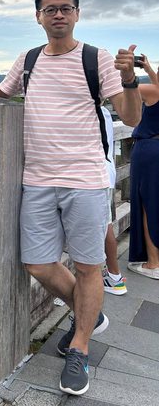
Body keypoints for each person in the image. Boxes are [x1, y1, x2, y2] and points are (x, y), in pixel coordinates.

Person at [0, 0, 142, 396]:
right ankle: (89, 314)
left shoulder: (97, 59)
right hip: (37, 180)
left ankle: (80, 348)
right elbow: (0, 94)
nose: (58, 14)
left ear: (77, 14)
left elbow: (131, 117)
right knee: (38, 264)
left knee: (88, 266)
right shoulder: (29, 60)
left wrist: (129, 79)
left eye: (66, 8)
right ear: (38, 16)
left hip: (85, 180)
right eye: (50, 9)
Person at [127, 54, 159, 279]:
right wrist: (148, 70)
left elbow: (125, 91)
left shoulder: (152, 91)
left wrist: (128, 72)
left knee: (147, 203)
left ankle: (153, 263)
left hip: (148, 151)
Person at [101, 105, 127, 295]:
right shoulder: (104, 112)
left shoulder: (93, 112)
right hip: (106, 173)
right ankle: (114, 275)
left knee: (103, 228)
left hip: (95, 176)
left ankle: (115, 278)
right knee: (106, 225)